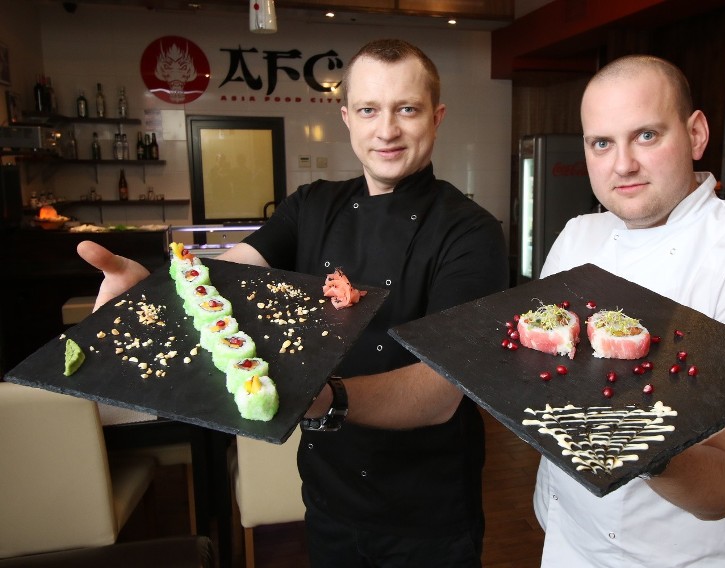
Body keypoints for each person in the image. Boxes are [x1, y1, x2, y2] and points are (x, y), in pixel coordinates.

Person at [78, 39, 508, 567]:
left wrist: (323, 399)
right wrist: (153, 295)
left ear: (436, 117)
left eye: (408, 109)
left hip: (426, 512)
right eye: (370, 110)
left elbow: (440, 391)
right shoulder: (312, 205)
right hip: (327, 493)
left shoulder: (471, 233)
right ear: (347, 117)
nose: (387, 130)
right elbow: (228, 274)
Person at [533, 55, 725, 567]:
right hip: (566, 535)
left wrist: (628, 438)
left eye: (646, 135)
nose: (623, 164)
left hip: (681, 555)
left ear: (696, 134)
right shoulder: (577, 235)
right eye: (602, 142)